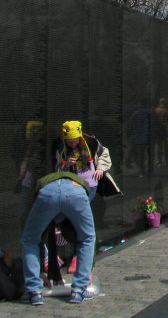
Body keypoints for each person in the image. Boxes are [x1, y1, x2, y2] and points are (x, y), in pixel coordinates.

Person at [20, 171, 96, 305]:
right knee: (87, 238)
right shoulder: (82, 185)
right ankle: (79, 289)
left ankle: (34, 292)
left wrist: (40, 272)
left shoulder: (44, 181)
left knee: (30, 239)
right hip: (76, 193)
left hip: (48, 193)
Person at [55, 121, 119, 202]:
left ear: (80, 138)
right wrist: (67, 164)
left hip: (91, 184)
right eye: (70, 142)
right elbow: (58, 170)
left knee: (83, 206)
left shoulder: (91, 143)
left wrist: (100, 168)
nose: (73, 144)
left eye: (75, 141)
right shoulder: (61, 150)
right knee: (80, 208)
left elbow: (104, 153)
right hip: (73, 187)